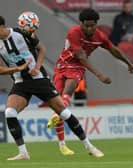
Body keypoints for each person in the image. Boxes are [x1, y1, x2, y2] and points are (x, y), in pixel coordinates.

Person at [0, 12, 105, 160]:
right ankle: (23, 153)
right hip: (20, 82)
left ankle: (90, 146)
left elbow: (42, 49)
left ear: (2, 26)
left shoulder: (21, 32)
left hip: (39, 80)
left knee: (63, 112)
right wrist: (16, 69)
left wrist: (37, 66)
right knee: (10, 112)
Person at [47, 8, 133, 155]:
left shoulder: (99, 36)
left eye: (92, 25)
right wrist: (99, 75)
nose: (89, 28)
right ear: (81, 23)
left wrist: (128, 62)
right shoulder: (73, 32)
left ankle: (58, 115)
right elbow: (81, 55)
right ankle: (62, 145)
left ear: (96, 24)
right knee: (58, 102)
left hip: (77, 68)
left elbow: (113, 49)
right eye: (86, 25)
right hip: (61, 66)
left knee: (69, 89)